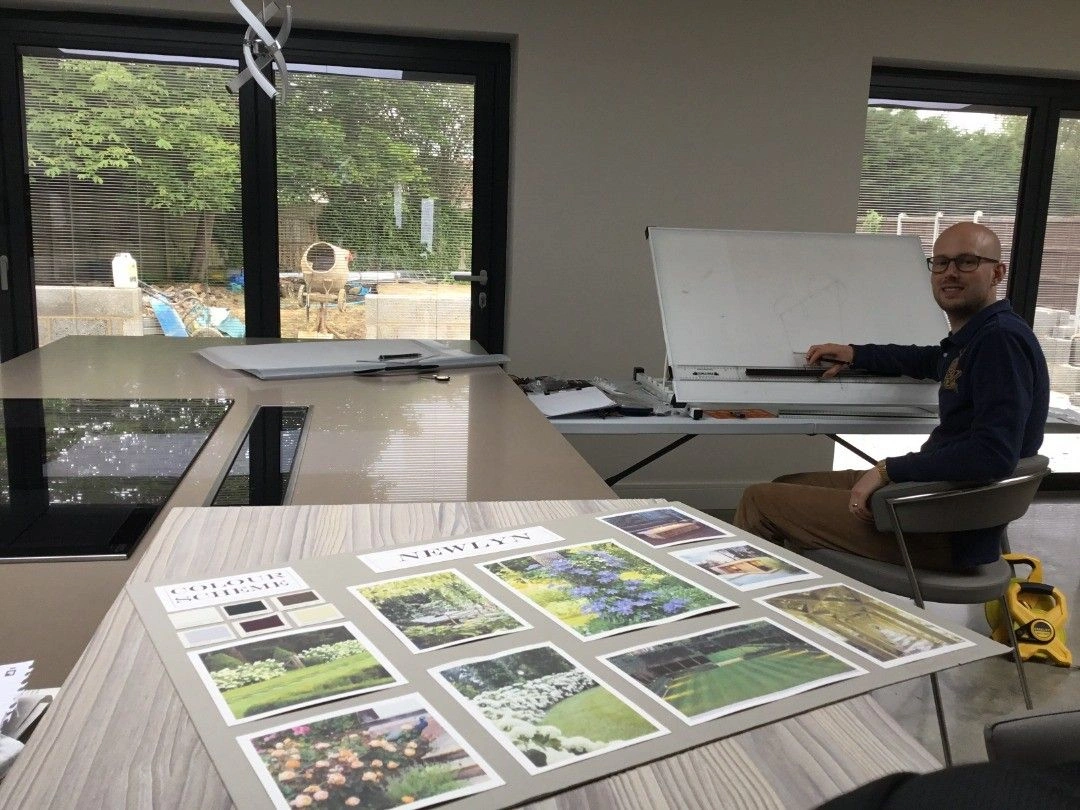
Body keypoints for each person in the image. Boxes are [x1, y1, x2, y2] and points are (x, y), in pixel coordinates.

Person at [734, 222, 1050, 570]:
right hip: (934, 502)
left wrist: (888, 470)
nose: (950, 273)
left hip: (940, 529)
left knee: (760, 501)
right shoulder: (979, 337)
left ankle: (760, 601)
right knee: (788, 485)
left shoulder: (999, 342)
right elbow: (928, 359)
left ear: (997, 273)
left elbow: (993, 454)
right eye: (941, 262)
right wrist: (856, 354)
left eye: (966, 262)